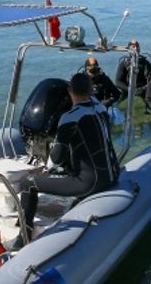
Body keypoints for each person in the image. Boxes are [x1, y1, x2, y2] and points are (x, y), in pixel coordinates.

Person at [15, 73, 119, 245]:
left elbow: (56, 157)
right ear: (91, 90)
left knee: (27, 183)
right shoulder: (101, 108)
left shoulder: (70, 117)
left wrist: (44, 170)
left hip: (89, 184)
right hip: (112, 175)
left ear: (70, 91)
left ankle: (25, 233)